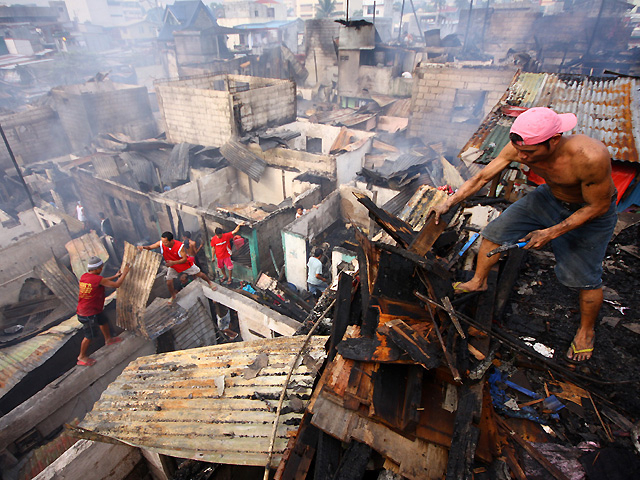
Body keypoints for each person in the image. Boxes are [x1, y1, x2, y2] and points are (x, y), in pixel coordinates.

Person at [431, 107, 617, 364]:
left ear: (554, 140)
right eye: (518, 150)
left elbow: (598, 206)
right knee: (494, 232)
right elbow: (482, 177)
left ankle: (586, 331)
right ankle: (478, 281)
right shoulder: (520, 146)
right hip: (549, 198)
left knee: (582, 277)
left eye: (528, 153)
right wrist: (448, 203)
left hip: (589, 212)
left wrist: (552, 232)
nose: (521, 157)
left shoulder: (589, 156)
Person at [76, 256, 130, 366]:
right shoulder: (97, 279)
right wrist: (125, 273)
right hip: (88, 313)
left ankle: (108, 339)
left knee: (103, 321)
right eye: (101, 267)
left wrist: (115, 276)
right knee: (89, 336)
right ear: (96, 269)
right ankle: (81, 356)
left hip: (92, 309)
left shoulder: (85, 276)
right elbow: (117, 285)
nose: (102, 269)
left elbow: (101, 282)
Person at [138, 231, 216, 305]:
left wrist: (173, 262)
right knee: (169, 282)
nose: (163, 243)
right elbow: (150, 247)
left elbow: (184, 259)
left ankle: (210, 283)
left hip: (184, 264)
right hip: (173, 266)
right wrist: (143, 247)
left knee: (199, 273)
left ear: (171, 241)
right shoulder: (161, 244)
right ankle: (173, 296)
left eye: (165, 242)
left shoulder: (179, 246)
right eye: (162, 241)